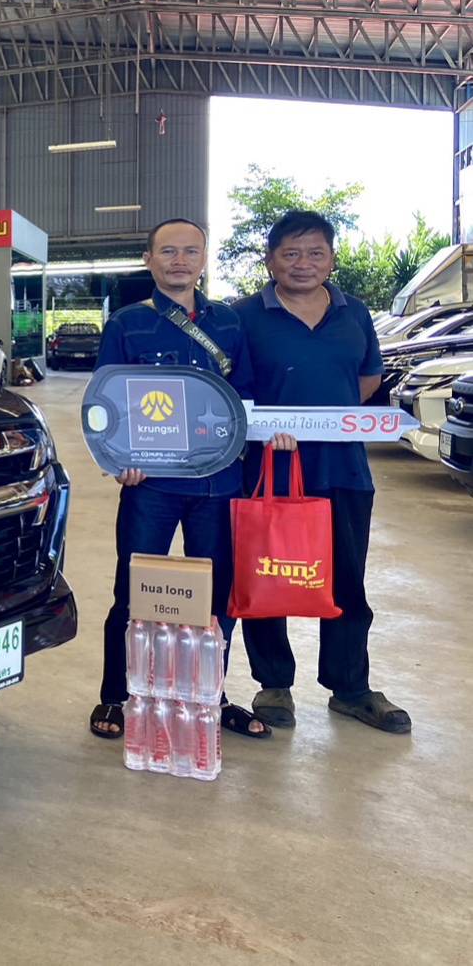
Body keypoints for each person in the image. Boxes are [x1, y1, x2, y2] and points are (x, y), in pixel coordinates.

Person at [89, 218, 284, 741]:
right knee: (132, 591)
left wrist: (271, 435)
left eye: (190, 251)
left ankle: (209, 696)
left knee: (216, 597)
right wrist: (119, 460)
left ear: (203, 259)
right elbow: (106, 402)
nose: (180, 260)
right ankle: (116, 695)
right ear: (149, 260)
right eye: (168, 251)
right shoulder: (127, 324)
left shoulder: (229, 323)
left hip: (219, 483)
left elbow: (243, 397)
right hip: (151, 484)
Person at [234, 210, 411, 734]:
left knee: (347, 579)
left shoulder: (354, 313)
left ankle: (350, 688)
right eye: (290, 253)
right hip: (270, 467)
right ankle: (273, 685)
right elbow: (234, 390)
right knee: (268, 573)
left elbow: (368, 378)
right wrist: (275, 427)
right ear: (270, 261)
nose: (303, 263)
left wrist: (323, 420)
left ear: (331, 260)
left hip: (344, 467)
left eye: (315, 253)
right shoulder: (244, 316)